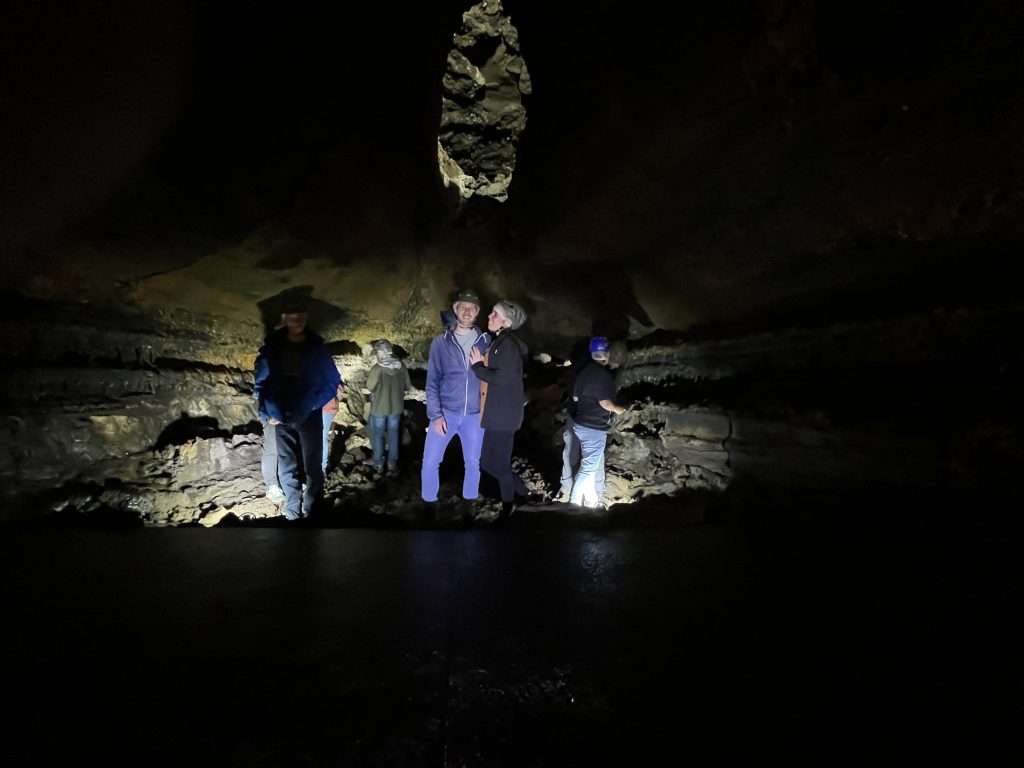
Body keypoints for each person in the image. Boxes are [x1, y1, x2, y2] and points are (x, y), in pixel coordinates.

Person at [254, 299, 341, 520]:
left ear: (307, 317)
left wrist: (314, 403)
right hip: (281, 414)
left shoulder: (316, 348)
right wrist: (266, 413)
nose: (297, 321)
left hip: (309, 414)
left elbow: (332, 381)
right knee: (286, 463)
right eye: (292, 316)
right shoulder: (273, 348)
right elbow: (261, 383)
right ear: (283, 319)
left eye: (301, 315)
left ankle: (312, 508)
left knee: (312, 464)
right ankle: (292, 508)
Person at [421, 289, 491, 506]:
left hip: (474, 415)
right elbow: (432, 380)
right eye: (462, 307)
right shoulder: (440, 343)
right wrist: (436, 415)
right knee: (430, 461)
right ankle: (429, 504)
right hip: (446, 414)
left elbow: (494, 378)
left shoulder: (486, 341)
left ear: (477, 312)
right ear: (455, 310)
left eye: (472, 308)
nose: (467, 311)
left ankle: (469, 505)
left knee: (472, 463)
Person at [470, 299, 531, 515]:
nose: (489, 316)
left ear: (506, 322)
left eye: (495, 314)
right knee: (487, 462)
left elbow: (502, 378)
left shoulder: (508, 345)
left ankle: (508, 508)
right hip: (497, 414)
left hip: (503, 417)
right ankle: (522, 494)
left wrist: (477, 366)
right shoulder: (500, 342)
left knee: (500, 466)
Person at [567, 336, 626, 508]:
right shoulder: (602, 375)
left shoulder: (585, 372)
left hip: (581, 424)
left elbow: (576, 397)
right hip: (594, 427)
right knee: (588, 469)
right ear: (606, 353)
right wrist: (619, 409)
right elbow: (605, 403)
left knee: (590, 465)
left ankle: (591, 501)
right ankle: (574, 504)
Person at [365, 338, 412, 474]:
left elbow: (370, 386)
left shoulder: (377, 368)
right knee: (394, 434)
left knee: (378, 434)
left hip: (379, 408)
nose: (378, 354)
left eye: (378, 351)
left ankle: (379, 463)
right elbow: (407, 386)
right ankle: (392, 464)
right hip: (396, 408)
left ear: (384, 352)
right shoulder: (401, 366)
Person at [320, 377, 346, 473]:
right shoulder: (331, 372)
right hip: (330, 406)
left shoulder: (317, 372)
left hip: (323, 407)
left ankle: (323, 466)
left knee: (322, 438)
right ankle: (323, 465)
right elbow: (340, 388)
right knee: (323, 437)